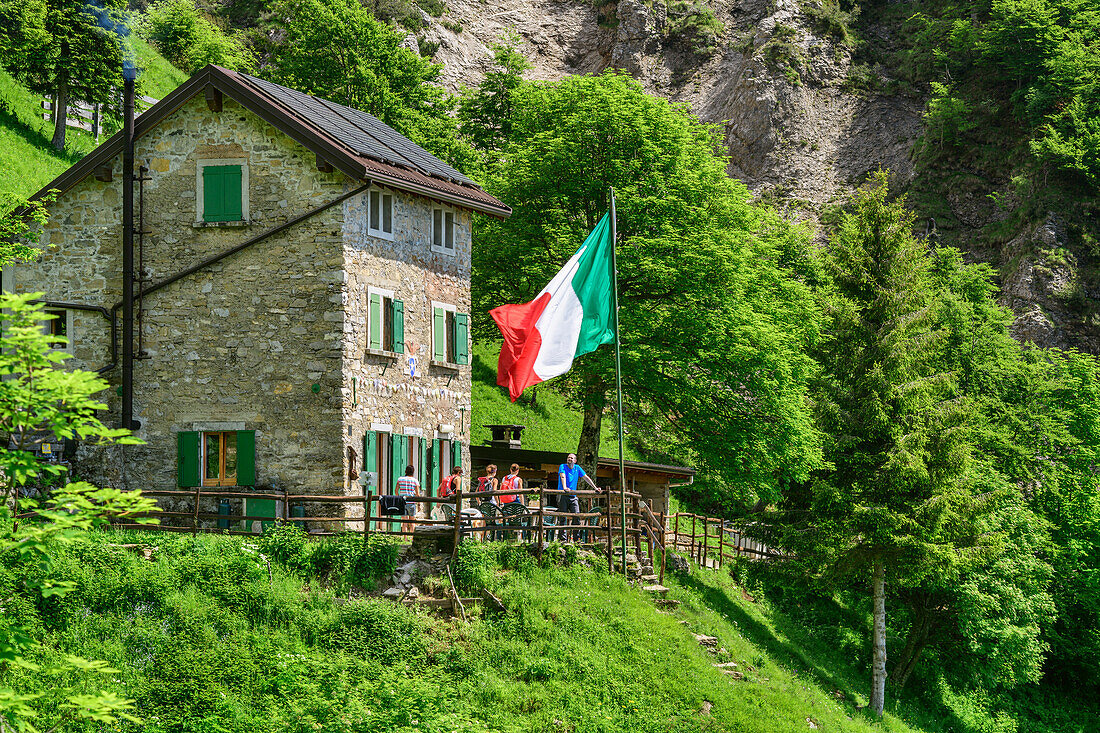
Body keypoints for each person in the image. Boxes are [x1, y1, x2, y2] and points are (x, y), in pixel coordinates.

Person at [558, 453, 600, 542]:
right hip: (563, 495)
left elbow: (586, 478)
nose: (569, 459)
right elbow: (563, 476)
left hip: (573, 496)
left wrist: (595, 488)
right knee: (563, 517)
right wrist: (565, 487)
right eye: (568, 458)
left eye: (572, 458)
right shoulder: (562, 466)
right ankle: (562, 539)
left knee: (577, 516)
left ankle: (576, 539)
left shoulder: (577, 468)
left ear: (575, 460)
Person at [395, 464, 420, 535]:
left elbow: (396, 491)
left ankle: (405, 538)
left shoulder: (400, 479)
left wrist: (399, 498)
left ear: (406, 471)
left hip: (402, 503)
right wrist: (418, 504)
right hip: (411, 503)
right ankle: (412, 538)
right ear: (413, 472)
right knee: (412, 522)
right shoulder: (415, 481)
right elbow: (418, 494)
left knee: (404, 522)